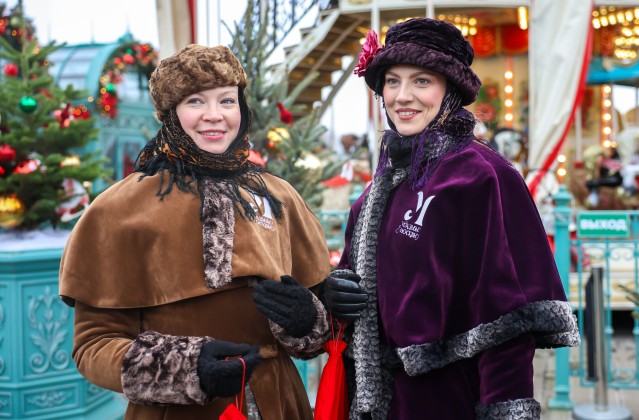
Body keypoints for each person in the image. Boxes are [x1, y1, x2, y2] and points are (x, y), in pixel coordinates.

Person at [322, 18, 580, 419]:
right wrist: (336, 292)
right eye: (392, 81)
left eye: (421, 81)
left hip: (449, 399)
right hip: (381, 405)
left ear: (450, 90)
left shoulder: (482, 176)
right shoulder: (378, 187)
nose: (402, 96)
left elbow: (508, 322)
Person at [58, 44, 332, 419]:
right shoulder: (116, 210)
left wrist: (308, 321)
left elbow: (317, 335)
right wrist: (186, 367)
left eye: (227, 101)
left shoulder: (280, 196)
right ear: (171, 112)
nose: (214, 115)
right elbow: (93, 346)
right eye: (195, 102)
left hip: (279, 404)